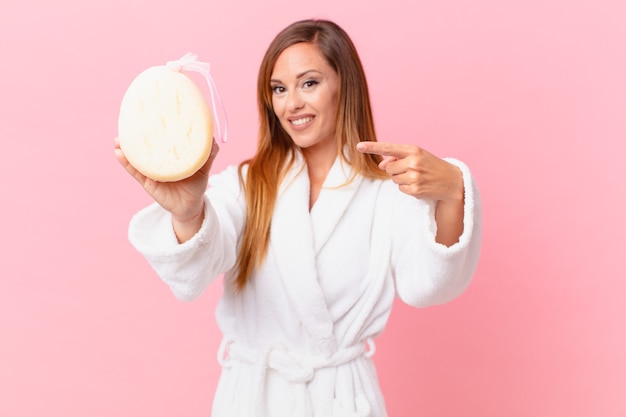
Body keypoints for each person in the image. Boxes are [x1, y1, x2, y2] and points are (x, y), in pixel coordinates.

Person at [114, 18, 481, 417]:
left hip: (342, 399)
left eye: (309, 83)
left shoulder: (386, 193)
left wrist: (451, 192)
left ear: (345, 85)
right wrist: (187, 213)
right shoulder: (245, 184)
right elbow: (191, 275)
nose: (292, 104)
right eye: (279, 89)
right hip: (251, 400)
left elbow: (427, 287)